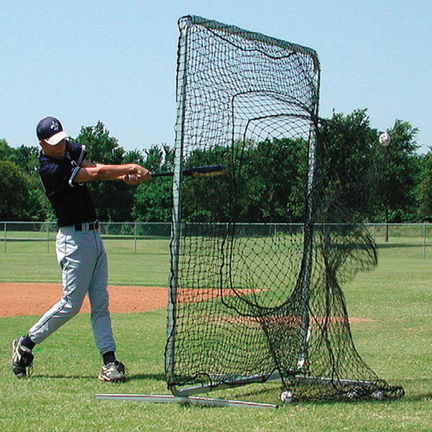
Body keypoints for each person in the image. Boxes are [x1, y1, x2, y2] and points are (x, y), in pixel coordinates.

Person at [11, 116, 150, 381]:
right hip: (73, 241)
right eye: (54, 143)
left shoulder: (69, 150)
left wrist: (124, 176)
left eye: (62, 139)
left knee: (100, 303)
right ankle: (26, 343)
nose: (61, 145)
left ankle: (109, 363)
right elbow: (94, 174)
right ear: (41, 144)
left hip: (94, 236)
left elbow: (93, 165)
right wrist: (130, 166)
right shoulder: (49, 169)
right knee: (71, 304)